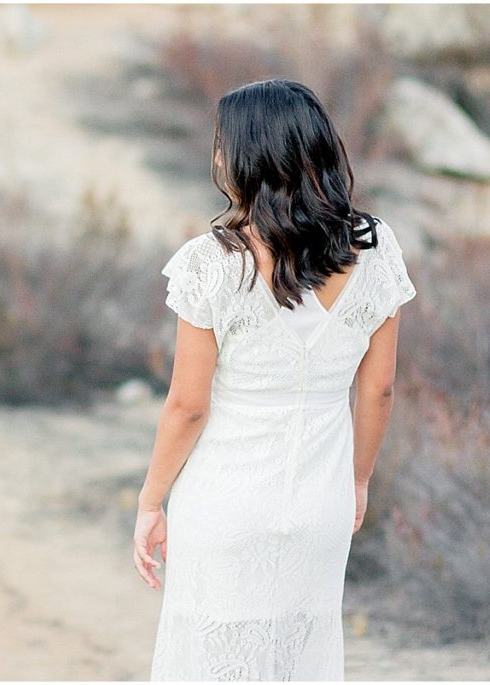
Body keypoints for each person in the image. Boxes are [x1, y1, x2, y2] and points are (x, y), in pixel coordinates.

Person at [133, 79, 417, 681]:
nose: (215, 158)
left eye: (221, 146)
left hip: (224, 499)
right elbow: (379, 388)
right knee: (299, 657)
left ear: (246, 159)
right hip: (321, 498)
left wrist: (151, 499)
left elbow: (187, 406)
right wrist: (358, 480)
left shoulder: (212, 262)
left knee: (210, 661)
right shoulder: (376, 247)